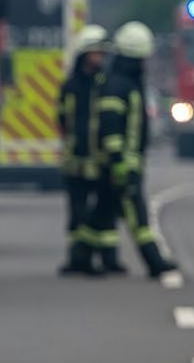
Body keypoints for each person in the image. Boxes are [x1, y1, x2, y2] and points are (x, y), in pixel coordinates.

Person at [84, 20, 179, 277]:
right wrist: (119, 162)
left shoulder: (124, 82)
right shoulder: (118, 85)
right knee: (137, 214)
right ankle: (154, 261)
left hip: (122, 161)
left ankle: (83, 257)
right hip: (121, 162)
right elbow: (111, 126)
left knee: (103, 212)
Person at [57, 24, 110, 275]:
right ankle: (76, 258)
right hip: (75, 159)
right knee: (76, 212)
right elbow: (62, 119)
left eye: (102, 53)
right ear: (85, 55)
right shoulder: (72, 86)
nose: (99, 58)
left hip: (98, 158)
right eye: (95, 53)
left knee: (98, 210)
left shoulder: (105, 85)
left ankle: (94, 257)